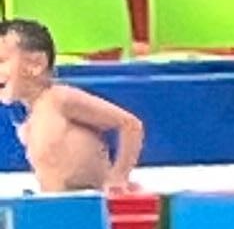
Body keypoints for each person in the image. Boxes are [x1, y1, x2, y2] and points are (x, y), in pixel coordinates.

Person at [1, 23, 145, 196]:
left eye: (1, 60)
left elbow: (130, 124)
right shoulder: (28, 123)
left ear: (36, 64)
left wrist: (118, 177)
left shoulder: (59, 99)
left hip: (88, 203)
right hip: (60, 205)